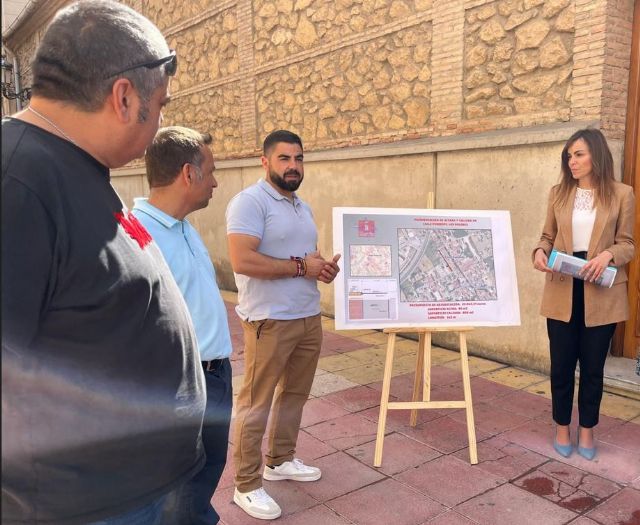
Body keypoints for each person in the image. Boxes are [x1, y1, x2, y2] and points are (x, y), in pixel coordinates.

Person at [1, 2, 206, 524]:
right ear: (123, 97)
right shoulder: (17, 184)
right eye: (159, 105)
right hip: (86, 505)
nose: (160, 119)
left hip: (130, 490)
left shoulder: (66, 162)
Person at [226, 129, 340, 520]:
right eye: (284, 158)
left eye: (299, 158)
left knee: (295, 395)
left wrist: (320, 269)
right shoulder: (249, 203)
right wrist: (299, 267)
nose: (294, 166)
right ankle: (246, 484)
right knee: (255, 404)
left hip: (307, 316)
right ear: (265, 161)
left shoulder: (301, 206)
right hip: (268, 321)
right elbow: (243, 260)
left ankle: (280, 460)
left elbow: (303, 259)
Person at [131, 126, 233, 525]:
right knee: (178, 487)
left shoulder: (185, 226)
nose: (215, 181)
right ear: (188, 174)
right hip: (179, 384)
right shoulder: (137, 234)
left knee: (206, 473)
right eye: (210, 171)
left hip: (216, 374)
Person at [533, 128, 635, 461]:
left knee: (592, 368)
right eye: (568, 155)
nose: (571, 161)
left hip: (600, 289)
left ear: (596, 155)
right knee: (561, 366)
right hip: (562, 285)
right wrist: (538, 252)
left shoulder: (622, 194)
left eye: (578, 154)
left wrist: (608, 255)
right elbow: (547, 236)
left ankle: (587, 431)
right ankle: (562, 427)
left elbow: (628, 245)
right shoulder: (558, 193)